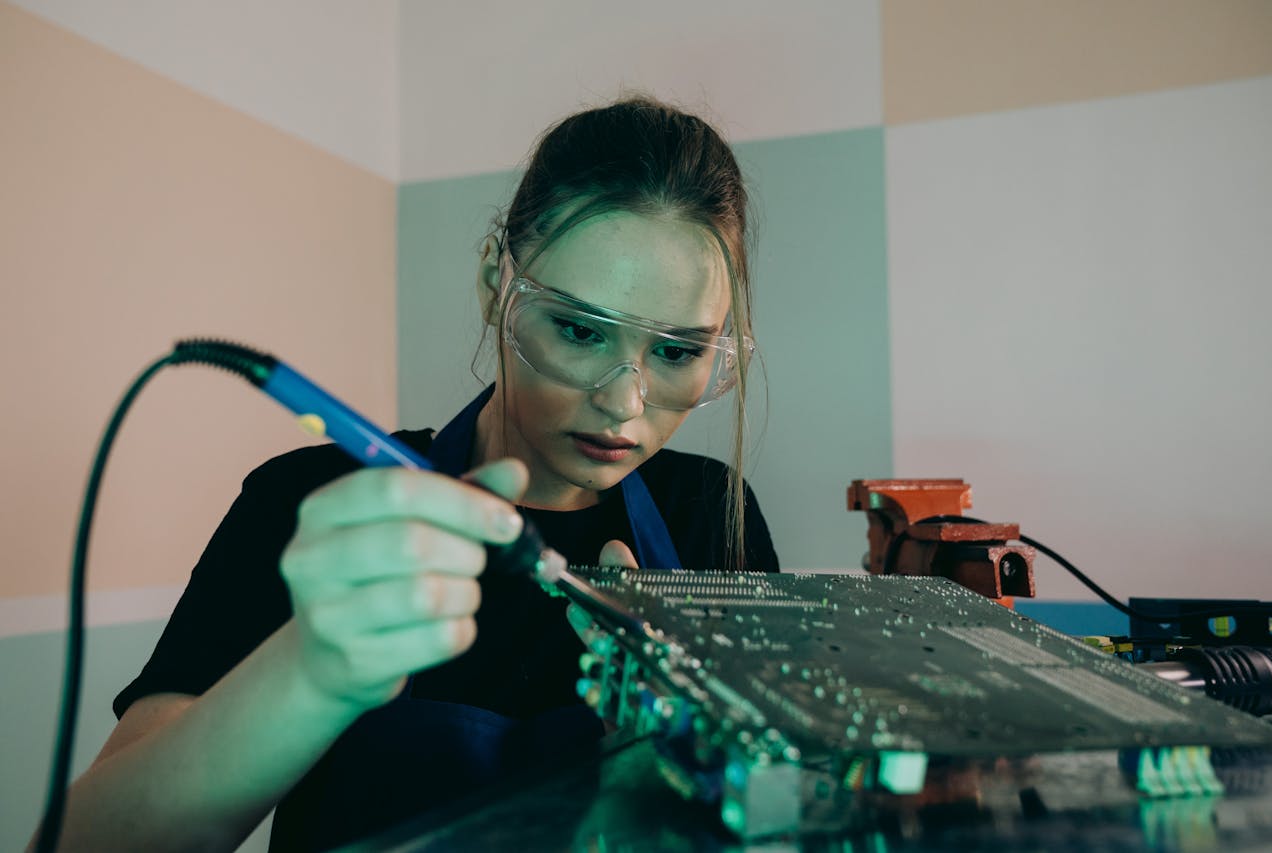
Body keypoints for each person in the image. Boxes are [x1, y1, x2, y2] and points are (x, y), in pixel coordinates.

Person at [41, 95, 778, 852]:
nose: (625, 402)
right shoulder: (310, 503)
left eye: (680, 352)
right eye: (578, 329)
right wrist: (310, 671)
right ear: (498, 282)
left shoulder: (713, 514)